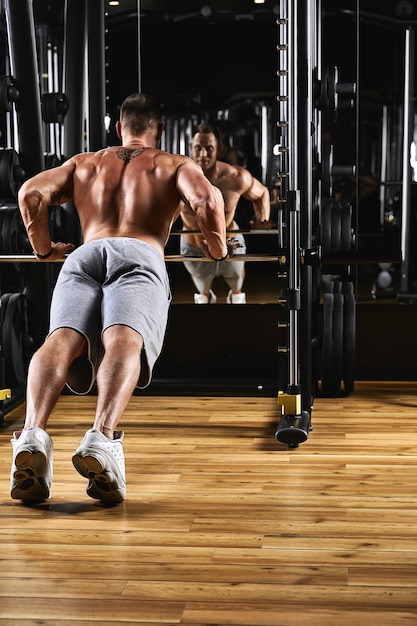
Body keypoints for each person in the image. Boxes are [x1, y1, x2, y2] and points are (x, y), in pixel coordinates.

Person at [10, 93, 228, 504]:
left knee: (60, 340)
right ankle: (101, 439)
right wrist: (217, 250)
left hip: (85, 253)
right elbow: (207, 200)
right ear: (157, 131)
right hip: (139, 252)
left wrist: (42, 248)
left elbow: (29, 195)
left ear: (118, 129)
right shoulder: (173, 163)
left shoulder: (84, 163)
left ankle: (32, 434)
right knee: (124, 340)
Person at [180, 122, 273, 304]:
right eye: (198, 148)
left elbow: (261, 192)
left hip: (231, 242)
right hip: (194, 246)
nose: (203, 154)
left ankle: (236, 305)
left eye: (209, 148)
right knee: (203, 292)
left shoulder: (234, 177)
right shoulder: (178, 178)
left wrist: (263, 219)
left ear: (219, 148)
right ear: (191, 147)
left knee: (237, 288)